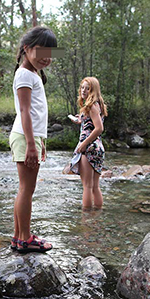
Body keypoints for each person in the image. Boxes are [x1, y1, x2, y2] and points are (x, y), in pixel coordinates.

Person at [9, 26, 58, 253]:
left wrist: (39, 143)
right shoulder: (25, 74)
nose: (46, 58)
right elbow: (25, 111)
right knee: (27, 189)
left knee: (25, 189)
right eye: (41, 53)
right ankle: (26, 238)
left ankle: (19, 237)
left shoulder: (31, 74)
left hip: (30, 136)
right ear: (27, 49)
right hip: (25, 137)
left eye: (50, 54)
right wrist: (31, 145)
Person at [68, 77, 108, 210]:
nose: (83, 90)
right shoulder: (97, 105)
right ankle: (97, 216)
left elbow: (99, 128)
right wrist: (80, 120)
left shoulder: (91, 106)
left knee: (87, 186)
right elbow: (91, 123)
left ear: (93, 90)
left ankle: (86, 220)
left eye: (87, 88)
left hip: (89, 147)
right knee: (95, 186)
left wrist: (83, 144)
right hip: (97, 147)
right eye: (82, 87)